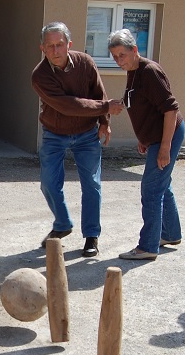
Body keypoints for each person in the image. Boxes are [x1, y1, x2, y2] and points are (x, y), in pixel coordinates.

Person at [31, 21, 120, 257]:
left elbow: (98, 92)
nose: (55, 50)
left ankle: (92, 236)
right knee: (49, 183)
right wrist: (105, 107)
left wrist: (104, 122)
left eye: (60, 44)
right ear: (42, 48)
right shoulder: (40, 76)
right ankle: (62, 224)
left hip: (86, 134)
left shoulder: (85, 63)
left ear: (69, 45)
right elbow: (68, 106)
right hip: (54, 134)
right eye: (50, 46)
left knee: (92, 184)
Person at [108, 29, 185, 262]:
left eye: (122, 55)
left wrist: (164, 147)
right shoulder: (133, 72)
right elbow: (142, 105)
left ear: (134, 50)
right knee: (162, 185)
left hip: (167, 136)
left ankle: (148, 246)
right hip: (154, 138)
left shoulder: (149, 71)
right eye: (114, 56)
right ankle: (170, 234)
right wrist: (144, 138)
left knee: (151, 189)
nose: (118, 60)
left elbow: (170, 109)